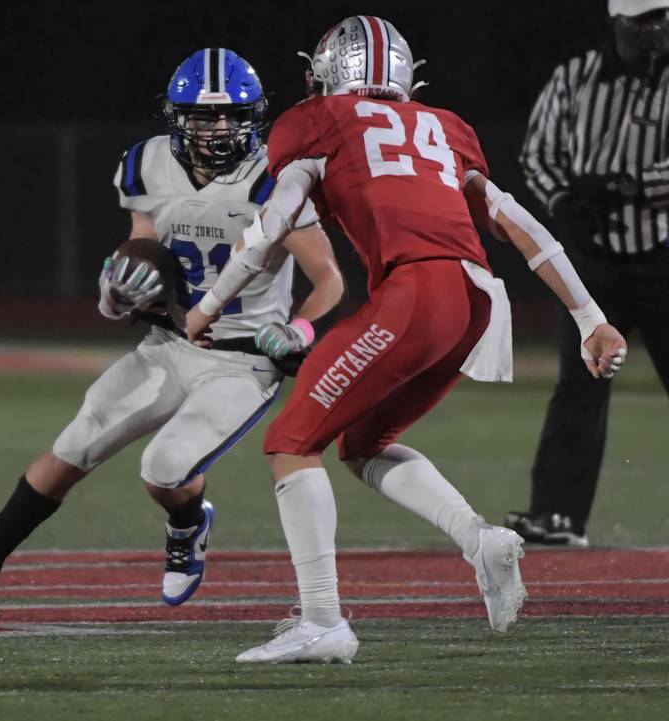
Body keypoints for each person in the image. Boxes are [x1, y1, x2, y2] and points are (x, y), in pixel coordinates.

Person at [187, 16, 628, 663]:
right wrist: (590, 315)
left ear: (327, 73)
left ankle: (323, 619)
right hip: (477, 299)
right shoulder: (444, 128)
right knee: (362, 443)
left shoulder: (315, 123)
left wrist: (208, 305)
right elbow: (514, 221)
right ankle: (480, 540)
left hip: (417, 292)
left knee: (290, 441)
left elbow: (272, 224)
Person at [0, 48, 343, 610]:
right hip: (169, 343)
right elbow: (144, 245)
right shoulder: (147, 164)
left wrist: (299, 330)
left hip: (242, 358)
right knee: (76, 441)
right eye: (202, 115)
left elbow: (329, 279)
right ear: (176, 116)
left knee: (165, 469)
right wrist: (121, 290)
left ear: (253, 118)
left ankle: (188, 525)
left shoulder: (274, 178)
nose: (217, 128)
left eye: (231, 117)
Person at [505, 0, 669, 547]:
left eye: (665, 17)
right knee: (580, 383)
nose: (658, 30)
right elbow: (537, 153)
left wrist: (626, 186)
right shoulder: (575, 78)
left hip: (663, 253)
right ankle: (556, 515)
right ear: (617, 23)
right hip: (594, 259)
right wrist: (564, 203)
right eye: (646, 19)